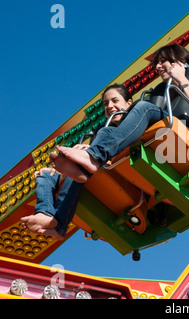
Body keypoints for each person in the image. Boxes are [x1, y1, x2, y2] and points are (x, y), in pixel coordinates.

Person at [50, 44, 189, 183]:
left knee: (144, 107)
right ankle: (86, 167)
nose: (157, 67)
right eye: (156, 63)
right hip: (163, 136)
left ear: (178, 61)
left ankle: (94, 157)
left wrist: (181, 79)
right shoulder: (161, 92)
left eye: (162, 62)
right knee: (107, 130)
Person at [20, 84, 135, 240]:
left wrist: (85, 155)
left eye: (115, 100)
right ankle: (44, 212)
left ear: (129, 103)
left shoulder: (134, 123)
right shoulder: (103, 128)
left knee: (78, 164)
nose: (110, 106)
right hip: (94, 168)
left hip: (120, 170)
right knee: (44, 175)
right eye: (106, 103)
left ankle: (60, 225)